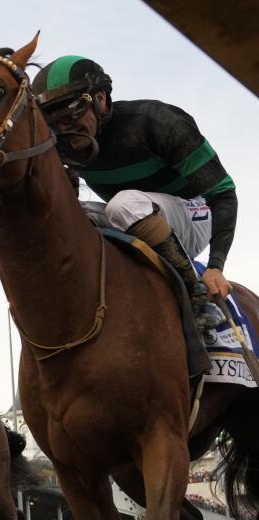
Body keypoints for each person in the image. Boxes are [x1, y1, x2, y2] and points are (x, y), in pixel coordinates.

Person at [32, 56, 234, 343]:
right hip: (132, 217)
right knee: (74, 214)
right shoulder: (67, 148)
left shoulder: (157, 121)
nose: (64, 129)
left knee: (124, 204)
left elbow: (223, 192)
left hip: (197, 212)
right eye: (52, 121)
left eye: (73, 112)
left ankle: (197, 298)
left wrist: (216, 266)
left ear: (100, 99)